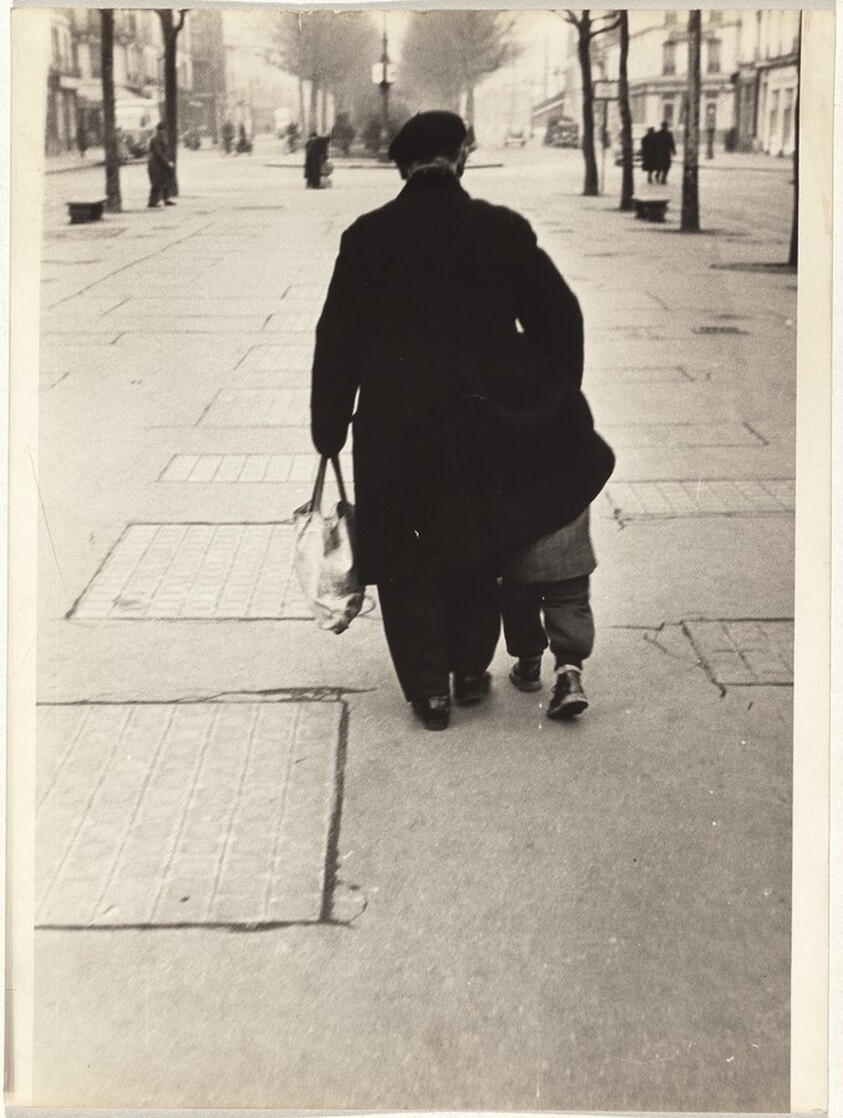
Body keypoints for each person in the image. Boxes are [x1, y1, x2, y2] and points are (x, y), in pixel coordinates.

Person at [311, 110, 614, 731]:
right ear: (461, 157)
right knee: (474, 540)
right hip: (480, 421)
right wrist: (545, 394)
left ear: (401, 166)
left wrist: (329, 424)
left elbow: (336, 338)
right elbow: (563, 318)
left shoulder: (366, 235)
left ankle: (428, 689)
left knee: (401, 552)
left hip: (393, 425)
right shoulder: (499, 228)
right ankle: (471, 668)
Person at [147, 123, 175, 208]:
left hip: (161, 163)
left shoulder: (160, 138)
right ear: (159, 130)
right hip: (156, 164)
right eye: (162, 130)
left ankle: (166, 199)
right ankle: (152, 202)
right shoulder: (155, 139)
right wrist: (168, 162)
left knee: (166, 180)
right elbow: (159, 153)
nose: (164, 132)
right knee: (156, 182)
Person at [653, 120, 676, 184]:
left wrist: (673, 150)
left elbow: (671, 143)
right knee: (664, 166)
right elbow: (672, 143)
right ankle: (661, 176)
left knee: (664, 165)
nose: (665, 127)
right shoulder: (666, 134)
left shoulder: (659, 134)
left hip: (662, 153)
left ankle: (662, 177)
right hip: (663, 152)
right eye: (665, 126)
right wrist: (673, 150)